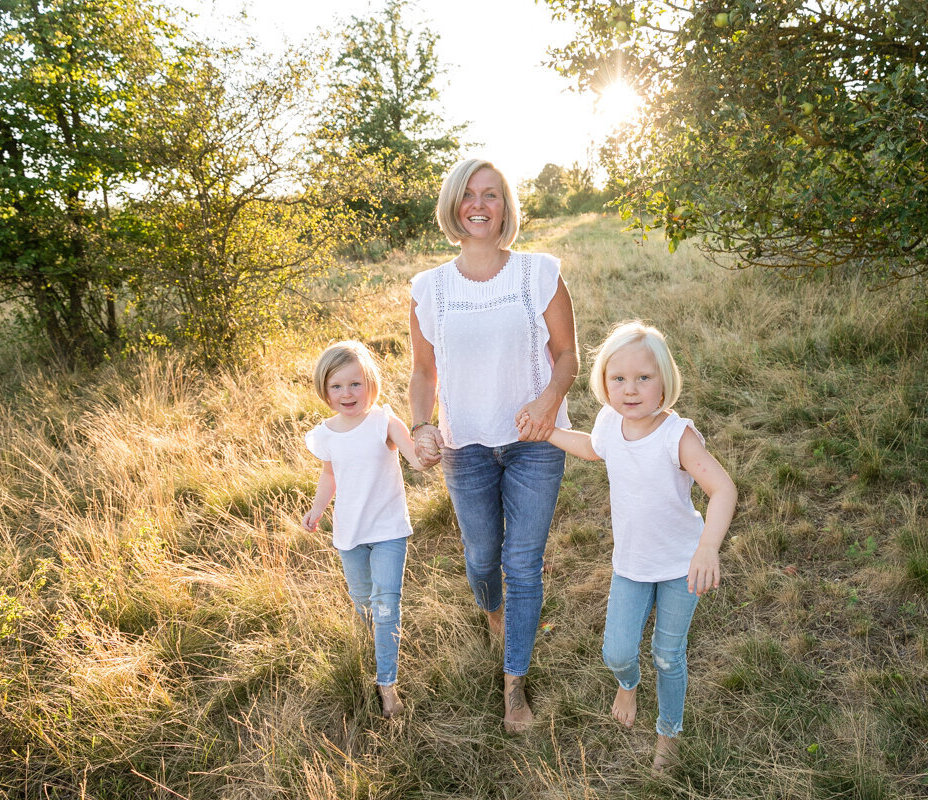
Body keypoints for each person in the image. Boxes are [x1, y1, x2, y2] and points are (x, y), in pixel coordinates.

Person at [408, 158, 578, 733]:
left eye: (491, 196)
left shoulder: (540, 272)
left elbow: (567, 356)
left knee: (522, 564)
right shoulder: (429, 289)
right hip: (465, 446)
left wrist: (550, 400)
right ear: (453, 205)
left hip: (535, 441)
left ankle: (515, 688)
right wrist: (420, 424)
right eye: (468, 196)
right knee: (483, 560)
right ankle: (493, 614)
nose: (479, 206)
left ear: (506, 207)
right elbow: (424, 372)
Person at [536, 321, 737, 771]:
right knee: (618, 652)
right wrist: (548, 433)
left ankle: (669, 733)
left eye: (643, 378)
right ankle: (627, 683)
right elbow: (594, 447)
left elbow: (723, 490)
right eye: (618, 378)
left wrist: (707, 549)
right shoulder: (611, 422)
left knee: (668, 655)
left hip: (681, 566)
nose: (630, 390)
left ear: (664, 381)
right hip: (630, 563)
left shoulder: (676, 435)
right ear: (604, 382)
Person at [302, 340, 425, 719]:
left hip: (387, 530)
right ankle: (370, 655)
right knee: (363, 605)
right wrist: (317, 508)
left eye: (355, 384)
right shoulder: (324, 434)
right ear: (325, 390)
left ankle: (387, 685)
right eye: (336, 386)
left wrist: (431, 446)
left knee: (386, 605)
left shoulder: (383, 423)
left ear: (370, 382)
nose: (346, 394)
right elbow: (329, 474)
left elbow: (417, 460)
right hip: (349, 536)